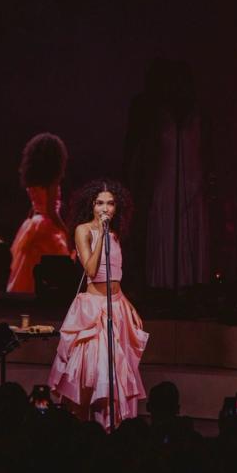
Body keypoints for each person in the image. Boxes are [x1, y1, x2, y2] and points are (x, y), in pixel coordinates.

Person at [48, 179, 148, 430]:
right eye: (100, 203)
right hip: (92, 310)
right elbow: (92, 270)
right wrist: (100, 235)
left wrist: (128, 303)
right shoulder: (84, 230)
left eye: (110, 203)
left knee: (114, 377)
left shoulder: (115, 235)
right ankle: (81, 433)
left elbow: (116, 276)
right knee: (90, 373)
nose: (105, 208)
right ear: (91, 205)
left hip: (116, 306)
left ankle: (110, 435)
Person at [124, 58, 210, 292]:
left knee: (188, 234)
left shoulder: (196, 113)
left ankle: (190, 288)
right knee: (166, 236)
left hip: (192, 185)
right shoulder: (153, 113)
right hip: (163, 186)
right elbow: (136, 152)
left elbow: (205, 149)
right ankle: (162, 287)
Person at [6, 132, 70, 293]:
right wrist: (67, 231)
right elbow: (51, 211)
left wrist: (29, 223)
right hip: (48, 225)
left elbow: (34, 206)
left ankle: (27, 290)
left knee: (29, 262)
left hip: (34, 222)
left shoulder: (32, 178)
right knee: (51, 262)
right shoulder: (52, 181)